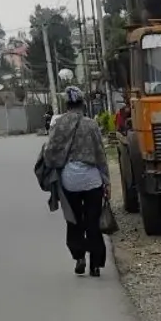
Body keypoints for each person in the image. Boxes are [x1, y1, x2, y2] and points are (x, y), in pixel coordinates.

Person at [40, 86, 110, 277]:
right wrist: (107, 182)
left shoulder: (59, 125)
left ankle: (79, 256)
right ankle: (95, 265)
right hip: (92, 181)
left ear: (67, 104)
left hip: (69, 181)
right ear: (82, 103)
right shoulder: (91, 124)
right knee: (92, 222)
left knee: (74, 220)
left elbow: (50, 154)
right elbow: (100, 155)